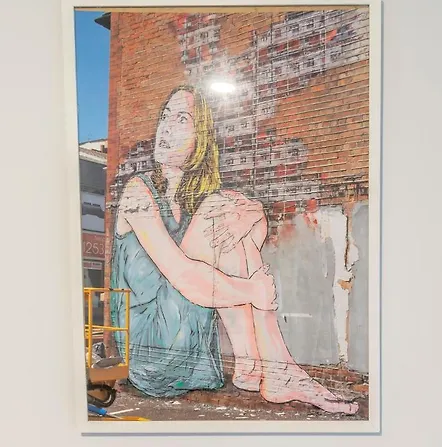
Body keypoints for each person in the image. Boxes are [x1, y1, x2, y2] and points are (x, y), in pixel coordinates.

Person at [110, 85, 358, 414]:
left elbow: (250, 241)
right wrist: (254, 290)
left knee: (229, 211)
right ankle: (275, 369)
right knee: (223, 206)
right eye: (165, 117)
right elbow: (184, 277)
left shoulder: (197, 204)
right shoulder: (137, 192)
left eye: (181, 119)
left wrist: (253, 212)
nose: (166, 127)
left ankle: (254, 365)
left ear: (201, 139)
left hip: (194, 355)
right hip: (153, 353)